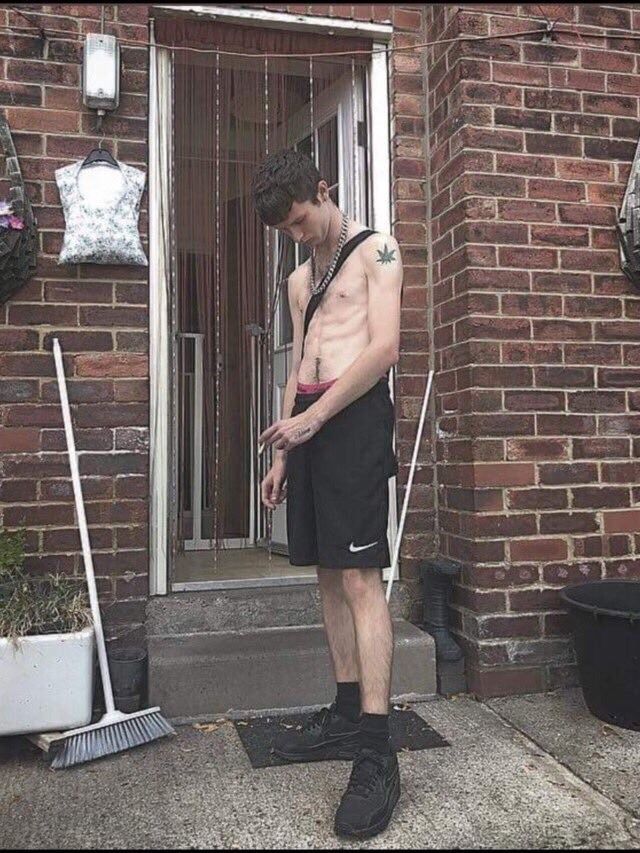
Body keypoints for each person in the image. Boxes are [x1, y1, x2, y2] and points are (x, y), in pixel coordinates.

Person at [251, 148, 402, 840]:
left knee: (360, 576)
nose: (296, 234)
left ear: (323, 189)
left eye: (299, 220)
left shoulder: (378, 251)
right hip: (308, 425)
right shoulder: (297, 279)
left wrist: (317, 419)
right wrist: (286, 447)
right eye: (285, 229)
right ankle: (344, 712)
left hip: (354, 418)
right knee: (325, 573)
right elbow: (300, 362)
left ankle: (376, 747)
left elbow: (384, 350)